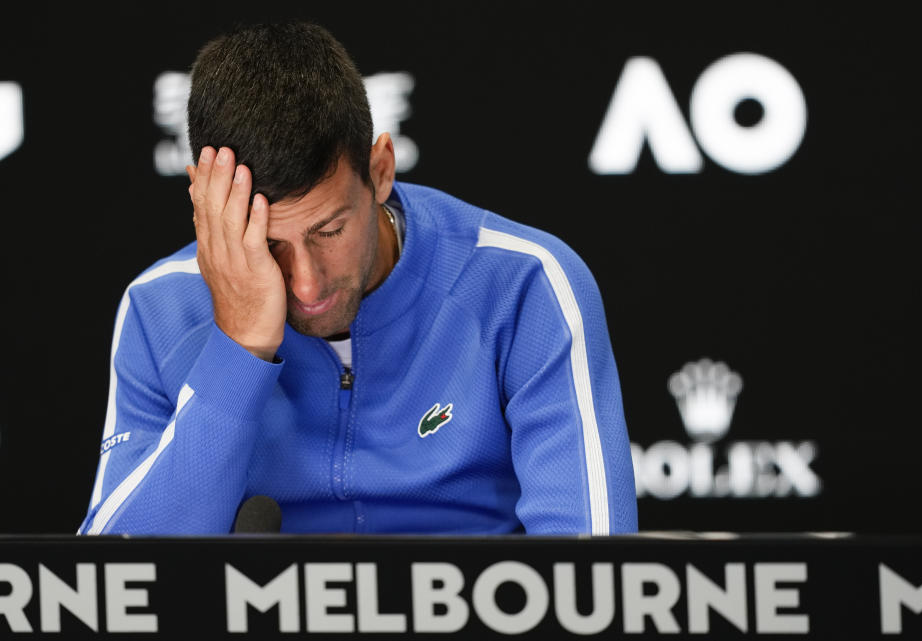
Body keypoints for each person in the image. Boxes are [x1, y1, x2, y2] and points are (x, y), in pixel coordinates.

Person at [79, 21, 637, 535]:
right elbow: (121, 581)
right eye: (267, 245)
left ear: (380, 170)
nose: (305, 286)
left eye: (329, 230)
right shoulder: (160, 309)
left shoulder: (525, 285)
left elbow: (591, 577)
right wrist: (239, 346)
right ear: (206, 204)